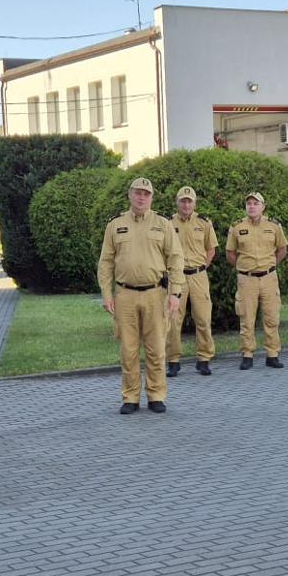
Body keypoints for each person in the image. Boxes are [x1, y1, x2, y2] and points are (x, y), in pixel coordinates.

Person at [97, 177, 184, 413]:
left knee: (156, 349)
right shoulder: (115, 224)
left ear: (151, 198)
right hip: (124, 295)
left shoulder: (163, 224)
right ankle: (130, 397)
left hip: (156, 295)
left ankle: (156, 395)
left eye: (146, 194)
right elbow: (105, 262)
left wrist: (175, 293)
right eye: (138, 193)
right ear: (130, 195)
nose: (141, 197)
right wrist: (106, 293)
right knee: (129, 350)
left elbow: (176, 259)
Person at [226, 191, 287, 370]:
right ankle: (247, 354)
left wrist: (271, 265)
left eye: (255, 203)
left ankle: (272, 355)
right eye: (249, 204)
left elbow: (282, 249)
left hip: (269, 278)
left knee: (272, 317)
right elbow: (230, 253)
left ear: (263, 206)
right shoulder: (237, 227)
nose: (252, 206)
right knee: (246, 318)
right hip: (247, 279)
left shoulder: (274, 226)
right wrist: (243, 267)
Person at [168, 186, 219, 377]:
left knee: (203, 318)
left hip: (198, 275)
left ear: (194, 203)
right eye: (183, 201)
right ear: (177, 202)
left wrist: (202, 267)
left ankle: (204, 359)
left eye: (189, 201)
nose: (186, 204)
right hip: (177, 277)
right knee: (173, 319)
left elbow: (211, 249)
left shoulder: (204, 223)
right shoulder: (168, 223)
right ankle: (173, 361)